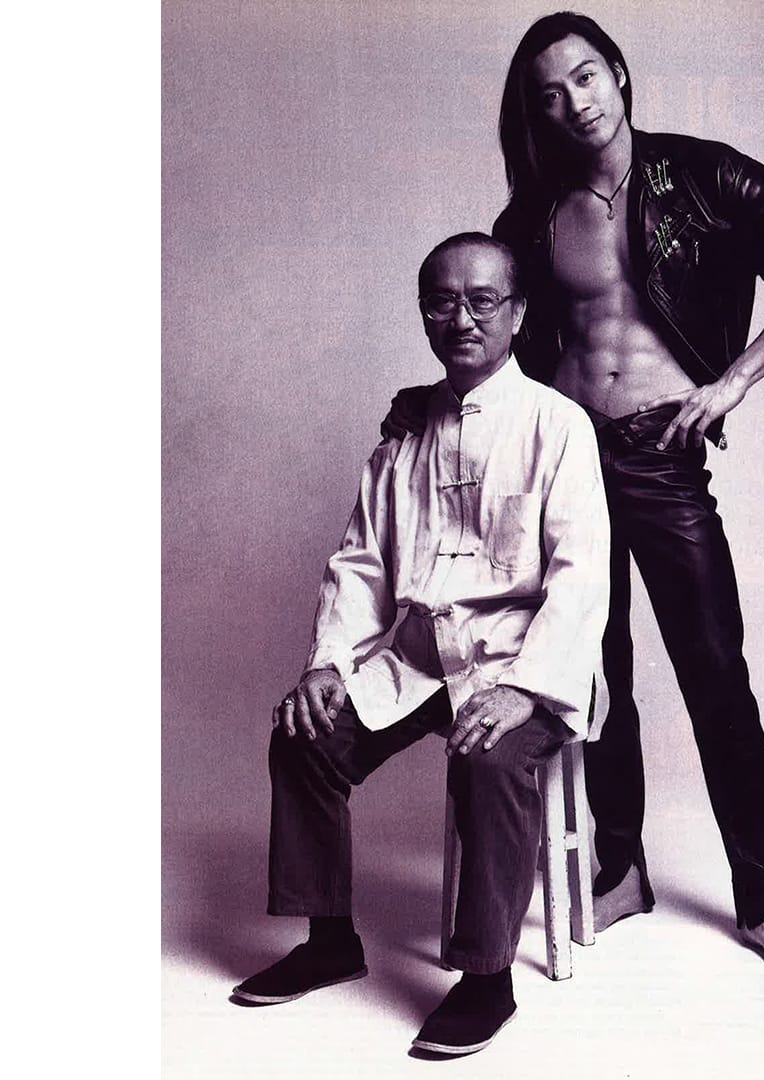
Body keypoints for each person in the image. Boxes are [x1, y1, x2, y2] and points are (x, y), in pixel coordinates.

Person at [384, 12, 764, 982]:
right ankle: (623, 867)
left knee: (716, 675)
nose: (574, 103)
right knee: (599, 677)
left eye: (586, 77)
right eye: (549, 94)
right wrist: (431, 400)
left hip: (660, 456)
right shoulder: (531, 218)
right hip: (567, 460)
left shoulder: (707, 177)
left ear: (621, 75)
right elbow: (494, 339)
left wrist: (732, 382)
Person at [234, 233, 610, 1057]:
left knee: (489, 757)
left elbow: (582, 577)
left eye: (482, 301)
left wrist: (525, 689)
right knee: (304, 736)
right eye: (442, 302)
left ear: (518, 313)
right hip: (423, 657)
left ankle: (487, 980)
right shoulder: (404, 436)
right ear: (423, 315)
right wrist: (327, 664)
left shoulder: (558, 426)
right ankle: (330, 942)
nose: (461, 319)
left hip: (523, 662)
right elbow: (362, 563)